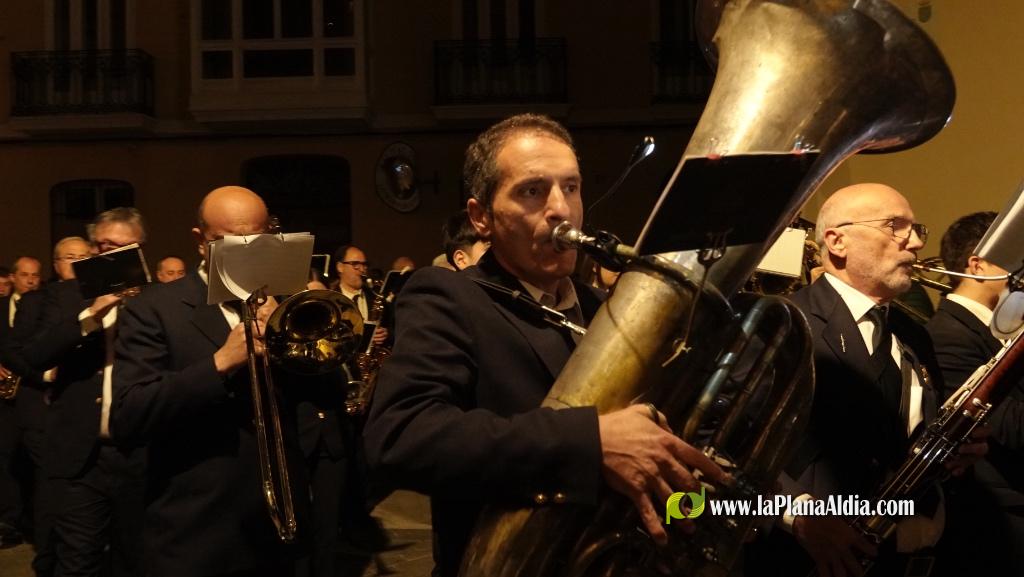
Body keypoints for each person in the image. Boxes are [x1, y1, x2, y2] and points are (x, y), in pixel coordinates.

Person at [363, 113, 724, 577]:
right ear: (481, 218)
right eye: (532, 191)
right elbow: (400, 436)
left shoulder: (608, 309)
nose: (561, 209)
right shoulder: (448, 295)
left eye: (571, 188)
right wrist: (589, 443)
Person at [752, 183, 986, 577]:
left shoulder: (915, 334)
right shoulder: (782, 323)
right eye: (895, 226)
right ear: (837, 241)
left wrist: (954, 459)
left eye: (915, 230)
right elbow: (720, 448)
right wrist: (799, 518)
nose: (913, 242)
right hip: (807, 561)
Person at [111, 187, 307, 577]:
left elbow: (329, 395)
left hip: (278, 531)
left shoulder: (287, 298)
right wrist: (221, 362)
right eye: (231, 241)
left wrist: (297, 338)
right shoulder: (156, 308)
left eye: (258, 238)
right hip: (194, 533)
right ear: (201, 242)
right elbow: (129, 414)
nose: (248, 250)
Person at [20, 210, 147, 577]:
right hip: (78, 452)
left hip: (137, 449)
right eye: (107, 246)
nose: (114, 256)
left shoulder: (157, 299)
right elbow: (33, 355)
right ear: (94, 249)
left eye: (126, 248)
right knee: (77, 560)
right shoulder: (62, 295)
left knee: (135, 556)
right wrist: (90, 315)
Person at [926, 211, 1023, 575]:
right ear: (978, 264)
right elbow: (1008, 426)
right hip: (1001, 518)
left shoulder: (1001, 329)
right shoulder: (948, 334)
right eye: (1019, 259)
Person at [1, 237, 90, 575]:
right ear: (55, 263)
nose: (78, 262)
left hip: (79, 407)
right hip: (39, 405)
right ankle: (47, 556)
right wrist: (44, 373)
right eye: (71, 257)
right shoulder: (37, 300)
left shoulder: (97, 297)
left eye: (85, 257)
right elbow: (12, 349)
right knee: (50, 481)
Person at [0, 256, 41, 550]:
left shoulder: (46, 308)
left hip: (33, 393)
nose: (30, 280)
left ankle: (34, 519)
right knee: (5, 458)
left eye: (35, 275)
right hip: (3, 397)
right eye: (24, 275)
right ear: (13, 277)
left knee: (34, 459)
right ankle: (9, 521)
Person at [332, 245, 387, 346]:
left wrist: (385, 334)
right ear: (340, 267)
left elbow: (394, 328)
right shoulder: (330, 299)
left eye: (364, 264)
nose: (362, 269)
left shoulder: (375, 297)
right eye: (355, 264)